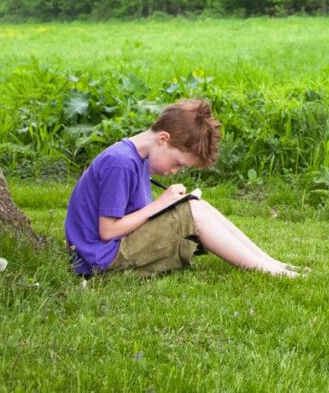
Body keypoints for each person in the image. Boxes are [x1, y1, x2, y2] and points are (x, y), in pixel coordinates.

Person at [65, 98, 304, 278]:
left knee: (197, 206)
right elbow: (107, 231)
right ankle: (269, 270)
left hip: (110, 249)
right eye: (177, 163)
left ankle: (273, 264)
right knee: (193, 211)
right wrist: (162, 204)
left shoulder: (135, 158)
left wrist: (173, 204)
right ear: (163, 139)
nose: (173, 171)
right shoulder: (121, 162)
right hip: (101, 259)